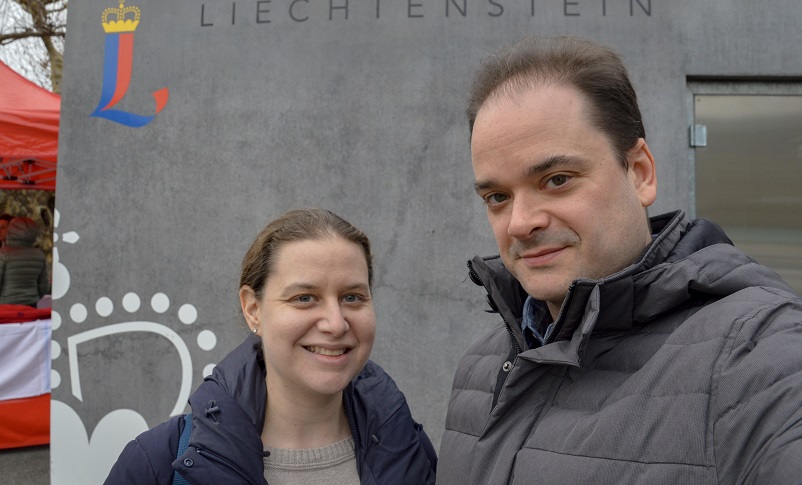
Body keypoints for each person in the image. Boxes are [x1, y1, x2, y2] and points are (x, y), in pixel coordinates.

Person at [437, 36, 802, 484]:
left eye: (556, 180)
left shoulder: (757, 354)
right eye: (497, 196)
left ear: (640, 172)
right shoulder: (482, 366)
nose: (519, 223)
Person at [106, 208, 437, 484]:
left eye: (352, 297)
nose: (336, 323)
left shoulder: (409, 450)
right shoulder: (158, 464)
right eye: (304, 298)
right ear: (253, 309)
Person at [0, 216, 49, 306]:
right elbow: (44, 288)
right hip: (31, 306)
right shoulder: (39, 256)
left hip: (5, 307)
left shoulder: (3, 254)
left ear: (11, 232)